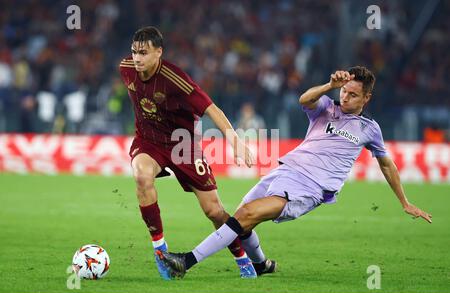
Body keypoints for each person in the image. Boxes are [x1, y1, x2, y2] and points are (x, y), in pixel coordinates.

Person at [157, 66, 433, 279]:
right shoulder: (327, 107)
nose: (345, 97)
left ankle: (186, 262)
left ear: (367, 98)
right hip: (285, 170)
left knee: (246, 216)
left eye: (352, 94)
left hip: (311, 188)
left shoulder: (370, 129)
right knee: (239, 224)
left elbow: (386, 164)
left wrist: (404, 202)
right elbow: (305, 98)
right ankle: (261, 265)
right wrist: (329, 85)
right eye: (344, 91)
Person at [119, 26, 276, 280]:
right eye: (134, 51)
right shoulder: (126, 69)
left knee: (214, 211)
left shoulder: (175, 79)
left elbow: (212, 109)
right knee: (141, 175)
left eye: (144, 53)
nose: (137, 58)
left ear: (159, 52)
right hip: (149, 141)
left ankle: (242, 258)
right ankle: (160, 250)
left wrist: (234, 140)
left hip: (184, 145)